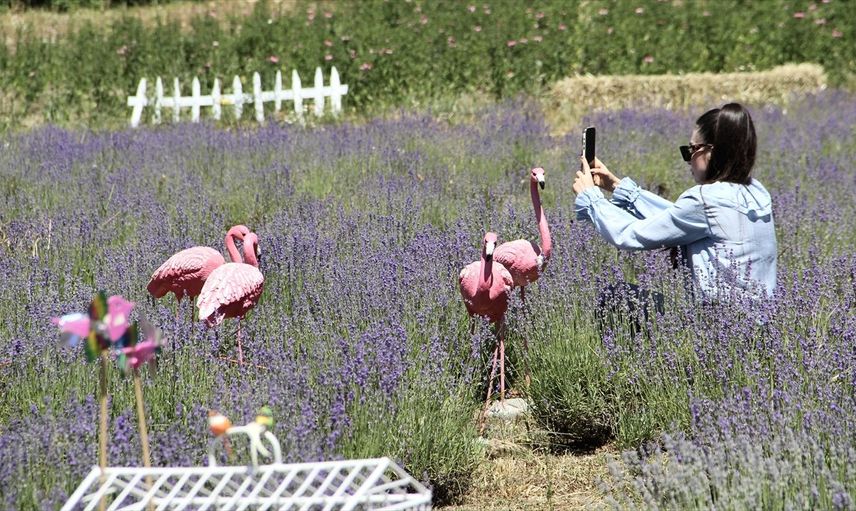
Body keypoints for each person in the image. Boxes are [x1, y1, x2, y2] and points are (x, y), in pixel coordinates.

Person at [573, 103, 777, 307]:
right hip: (762, 322)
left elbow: (630, 235)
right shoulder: (755, 191)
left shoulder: (705, 199)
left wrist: (592, 199)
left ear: (713, 152)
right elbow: (678, 218)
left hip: (716, 322)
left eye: (692, 150)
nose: (688, 160)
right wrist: (616, 186)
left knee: (615, 296)